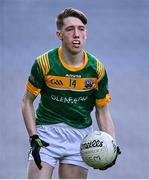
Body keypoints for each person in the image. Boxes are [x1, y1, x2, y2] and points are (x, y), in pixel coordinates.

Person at [22, 7, 121, 179]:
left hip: (80, 138)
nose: (76, 34)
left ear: (86, 34)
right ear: (59, 35)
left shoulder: (97, 69)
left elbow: (102, 110)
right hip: (46, 135)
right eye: (70, 29)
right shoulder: (44, 63)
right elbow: (27, 101)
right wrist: (33, 136)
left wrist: (110, 144)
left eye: (81, 29)